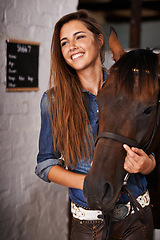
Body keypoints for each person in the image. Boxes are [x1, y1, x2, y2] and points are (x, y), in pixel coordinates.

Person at [35, 10, 156, 240]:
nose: (72, 46)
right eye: (64, 42)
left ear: (99, 41)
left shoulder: (131, 88)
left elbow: (151, 147)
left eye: (79, 37)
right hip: (88, 225)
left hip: (137, 217)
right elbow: (45, 165)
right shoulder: (53, 100)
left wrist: (146, 164)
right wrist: (90, 182)